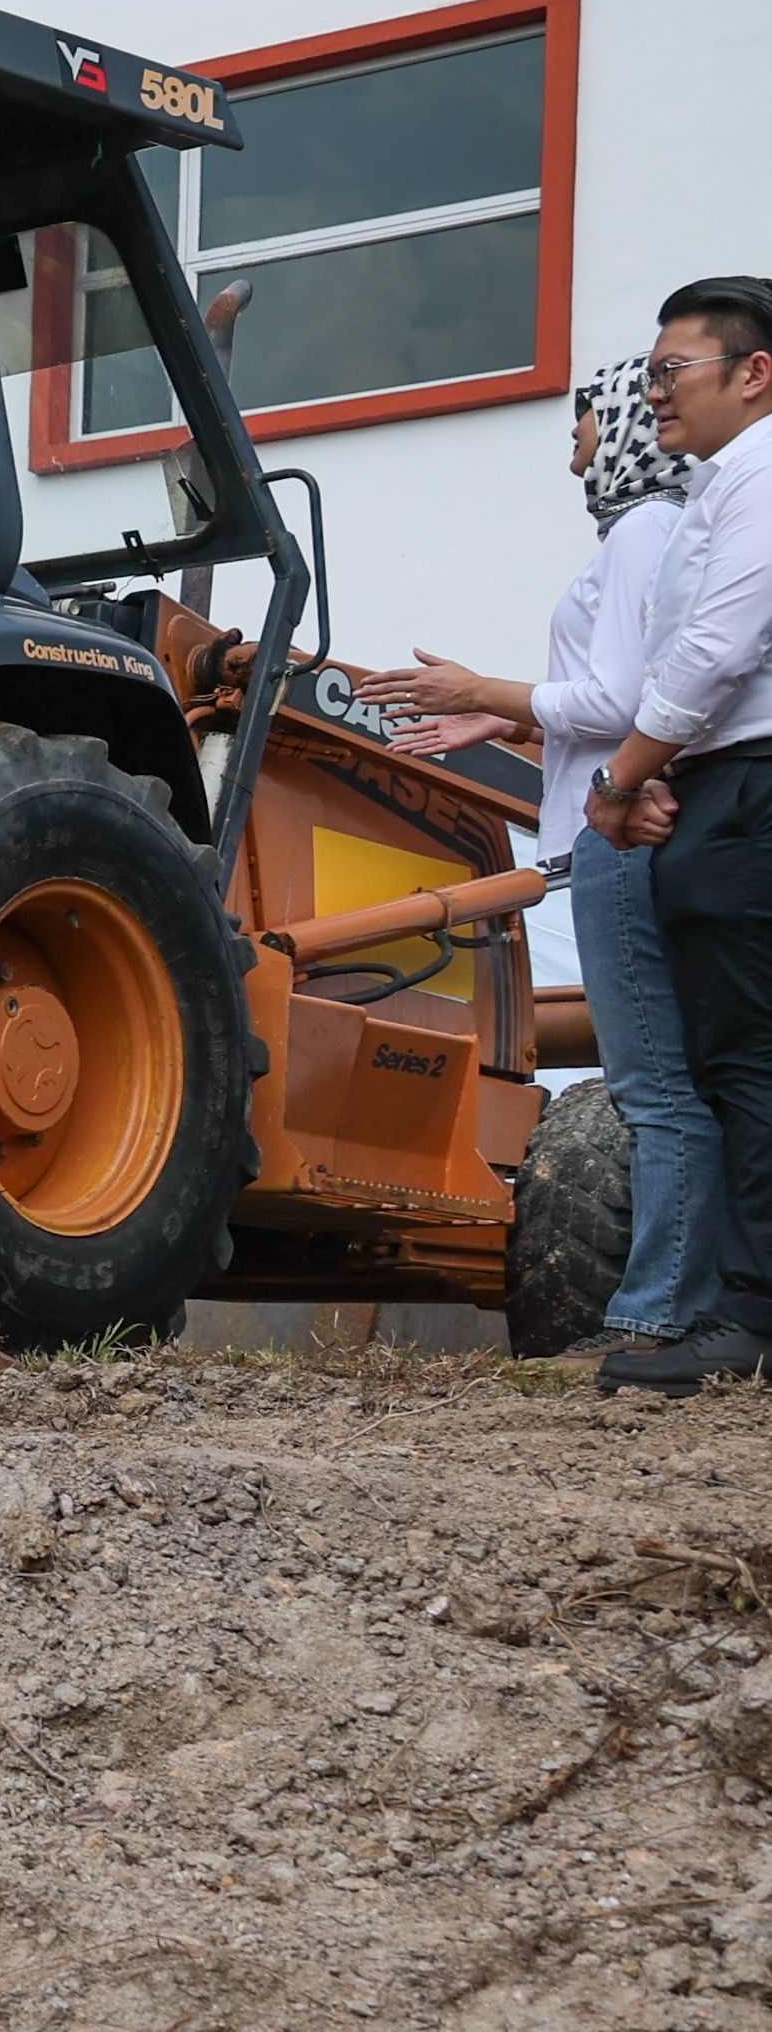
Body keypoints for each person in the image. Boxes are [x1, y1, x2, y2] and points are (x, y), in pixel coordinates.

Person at [361, 357, 742, 1364]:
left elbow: (622, 699)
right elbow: (611, 691)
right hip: (610, 829)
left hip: (610, 843)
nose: (568, 440)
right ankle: (684, 1304)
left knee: (655, 1089)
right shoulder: (661, 532)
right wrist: (497, 712)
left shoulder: (642, 534)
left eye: (579, 419)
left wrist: (479, 687)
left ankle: (654, 1314)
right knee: (681, 1083)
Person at [529, 281, 772, 1395]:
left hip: (712, 797)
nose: (648, 393)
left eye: (670, 370)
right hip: (696, 788)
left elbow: (698, 660)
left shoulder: (717, 499)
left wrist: (623, 779)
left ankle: (706, 1314)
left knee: (708, 1076)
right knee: (715, 1070)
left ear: (749, 373)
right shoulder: (709, 498)